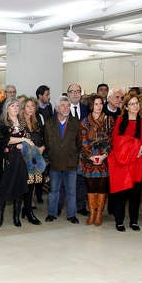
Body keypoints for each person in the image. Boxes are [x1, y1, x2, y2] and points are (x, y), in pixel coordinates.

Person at [108, 95, 142, 231]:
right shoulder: (120, 120)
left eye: (137, 103)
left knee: (135, 193)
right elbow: (116, 141)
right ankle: (119, 220)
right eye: (132, 104)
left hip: (138, 162)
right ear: (126, 107)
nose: (135, 106)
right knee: (121, 193)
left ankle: (134, 220)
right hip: (122, 162)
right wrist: (132, 148)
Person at [0, 97, 32, 228]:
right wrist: (21, 140)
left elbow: (29, 139)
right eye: (12, 106)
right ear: (7, 108)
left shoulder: (23, 123)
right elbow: (5, 140)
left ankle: (16, 218)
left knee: (19, 188)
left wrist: (25, 142)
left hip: (22, 160)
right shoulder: (3, 123)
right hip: (7, 160)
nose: (16, 108)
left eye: (17, 106)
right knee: (3, 189)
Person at [43, 96, 81, 224]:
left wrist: (75, 157)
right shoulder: (49, 123)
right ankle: (52, 213)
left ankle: (72, 215)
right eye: (63, 106)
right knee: (54, 191)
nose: (66, 108)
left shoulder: (76, 123)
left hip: (71, 163)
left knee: (71, 191)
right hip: (55, 162)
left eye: (67, 106)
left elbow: (79, 143)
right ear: (56, 108)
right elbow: (47, 142)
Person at [80, 95, 113, 226]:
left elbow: (111, 140)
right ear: (91, 105)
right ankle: (92, 213)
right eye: (96, 104)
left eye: (100, 104)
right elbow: (83, 141)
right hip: (89, 159)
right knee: (90, 187)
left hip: (104, 158)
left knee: (102, 187)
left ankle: (99, 213)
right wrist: (91, 156)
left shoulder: (109, 120)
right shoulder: (85, 121)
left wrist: (103, 155)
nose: (99, 107)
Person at [21, 97, 45, 225]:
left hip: (36, 158)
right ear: (23, 108)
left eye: (33, 106)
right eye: (28, 106)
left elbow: (42, 138)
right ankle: (27, 210)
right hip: (24, 159)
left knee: (33, 184)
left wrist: (42, 147)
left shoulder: (37, 122)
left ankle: (27, 209)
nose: (31, 109)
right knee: (26, 185)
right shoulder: (20, 123)